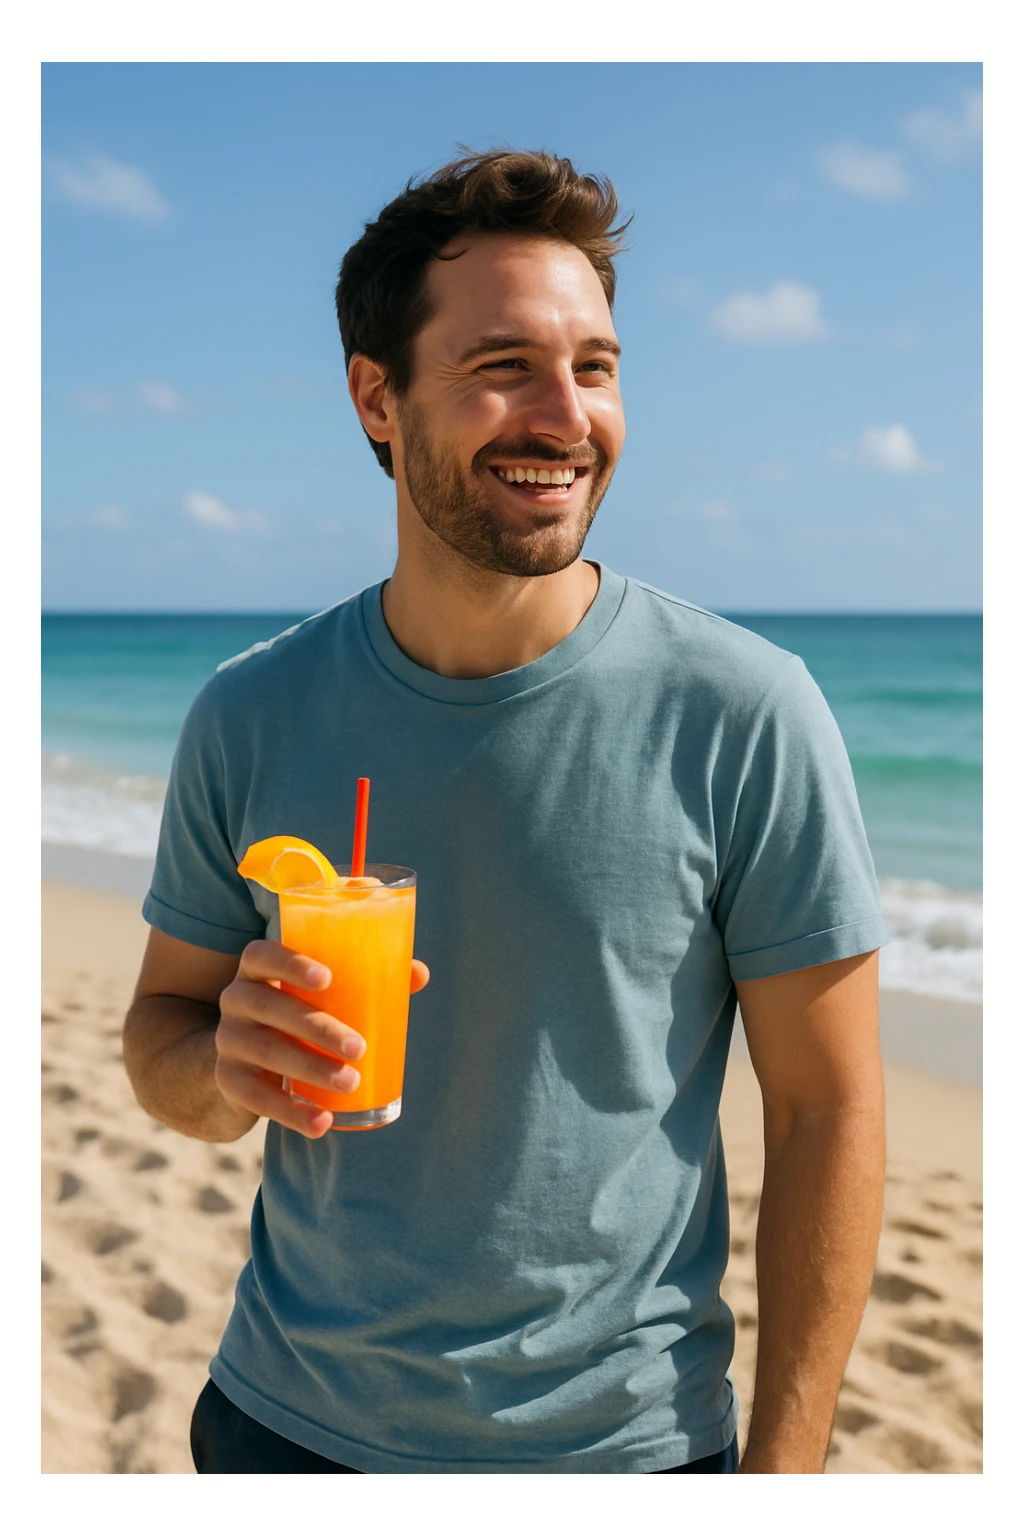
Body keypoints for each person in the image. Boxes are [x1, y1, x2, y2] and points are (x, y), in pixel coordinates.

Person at [123, 149, 889, 1475]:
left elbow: (828, 1110)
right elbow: (162, 1046)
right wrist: (220, 1068)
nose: (565, 415)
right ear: (377, 397)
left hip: (629, 1455)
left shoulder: (748, 710)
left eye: (594, 367)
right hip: (281, 1432)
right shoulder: (251, 714)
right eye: (501, 369)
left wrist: (788, 1476)